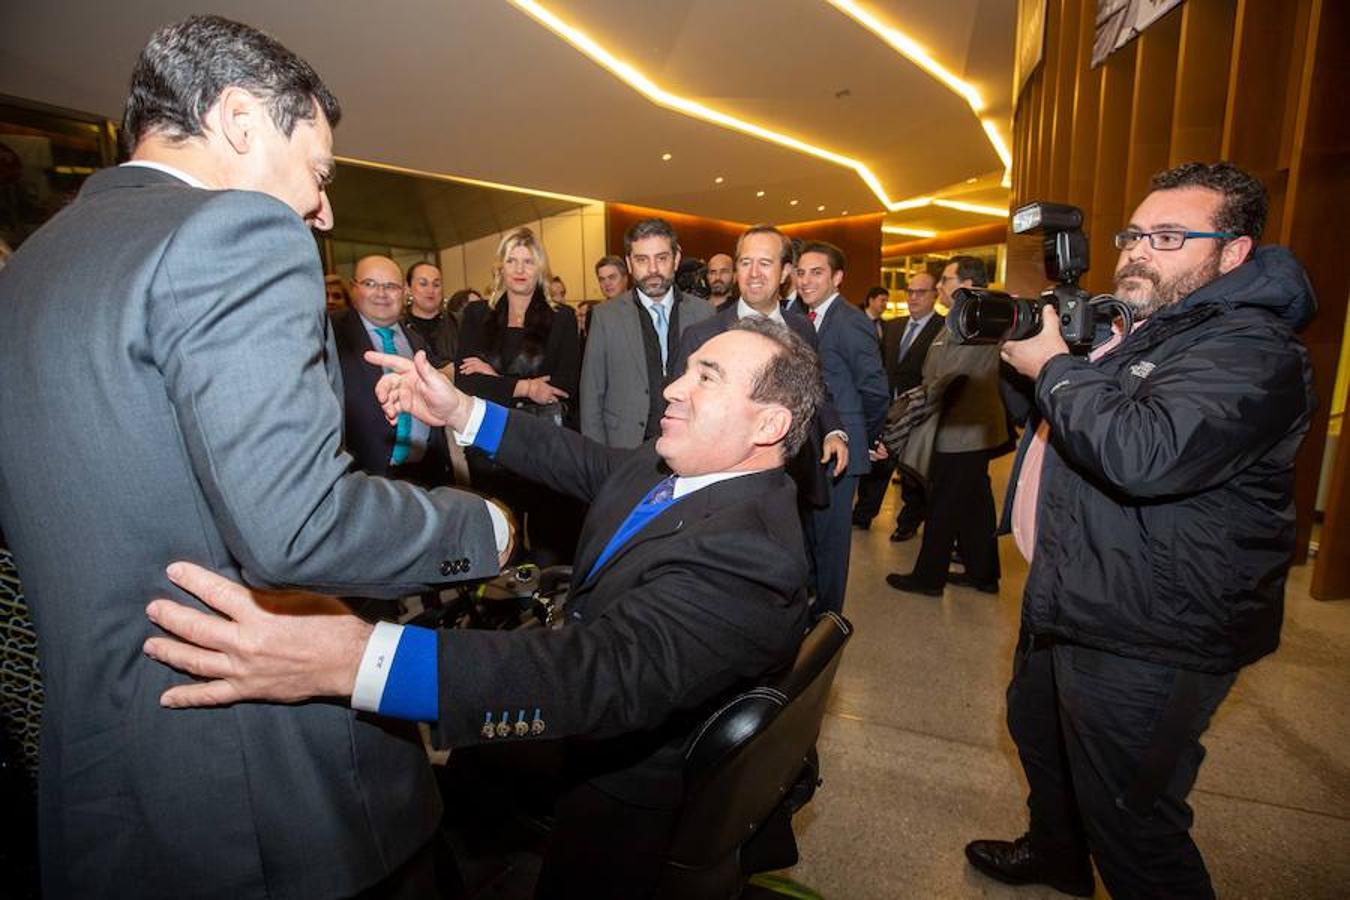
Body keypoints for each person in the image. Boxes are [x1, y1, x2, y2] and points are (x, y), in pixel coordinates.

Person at [0, 15, 502, 899]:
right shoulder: (235, 235)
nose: (324, 210)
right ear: (238, 120)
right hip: (279, 798)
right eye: (318, 172)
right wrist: (483, 526)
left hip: (107, 794)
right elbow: (298, 524)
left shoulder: (32, 269)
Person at [142, 318, 823, 899]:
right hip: (586, 733)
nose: (674, 388)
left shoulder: (753, 558)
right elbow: (584, 462)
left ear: (769, 423)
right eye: (685, 371)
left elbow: (596, 674)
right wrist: (460, 411)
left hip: (621, 795)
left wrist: (357, 659)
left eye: (706, 378)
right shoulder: (688, 469)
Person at [965, 162, 1316, 898]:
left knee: (1133, 820)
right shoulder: (1147, 327)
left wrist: (1057, 367)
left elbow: (1142, 455)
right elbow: (1062, 428)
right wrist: (1030, 365)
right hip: (1075, 588)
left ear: (1234, 253)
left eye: (1167, 236)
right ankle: (1057, 856)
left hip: (1155, 624)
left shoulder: (1253, 349)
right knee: (1044, 741)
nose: (1137, 252)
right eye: (1133, 234)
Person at [457, 226, 581, 564]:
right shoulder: (476, 315)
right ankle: (503, 611)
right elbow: (467, 383)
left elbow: (564, 383)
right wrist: (525, 386)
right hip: (489, 441)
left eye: (528, 261)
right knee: (500, 534)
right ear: (500, 266)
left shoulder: (562, 317)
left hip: (544, 441)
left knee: (549, 537)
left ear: (540, 267)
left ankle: (549, 607)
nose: (520, 269)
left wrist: (494, 379)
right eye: (512, 260)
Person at [887, 255, 1008, 596]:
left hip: (962, 430)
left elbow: (950, 375)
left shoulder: (978, 318)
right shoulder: (960, 317)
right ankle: (983, 574)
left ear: (967, 285)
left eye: (946, 280)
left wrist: (915, 402)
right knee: (975, 503)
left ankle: (928, 578)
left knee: (943, 503)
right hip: (960, 425)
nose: (940, 286)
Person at [795, 241, 889, 615]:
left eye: (816, 272)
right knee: (810, 536)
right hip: (809, 446)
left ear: (837, 277)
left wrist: (863, 436)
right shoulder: (804, 318)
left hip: (841, 449)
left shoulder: (850, 322)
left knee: (831, 542)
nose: (805, 280)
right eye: (800, 272)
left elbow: (875, 389)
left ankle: (828, 621)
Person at [579, 217, 713, 449]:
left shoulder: (705, 313)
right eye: (642, 260)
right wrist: (597, 459)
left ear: (676, 258)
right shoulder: (605, 317)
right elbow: (592, 395)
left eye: (661, 258)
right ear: (629, 264)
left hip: (691, 445)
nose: (653, 270)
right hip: (625, 447)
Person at [332, 255, 455, 485]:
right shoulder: (331, 336)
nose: (381, 293)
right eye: (370, 284)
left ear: (404, 291)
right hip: (363, 480)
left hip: (424, 476)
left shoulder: (416, 340)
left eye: (391, 286)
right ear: (353, 288)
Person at [853, 273, 944, 536]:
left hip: (919, 413)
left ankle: (907, 523)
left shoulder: (942, 328)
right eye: (910, 292)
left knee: (911, 473)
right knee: (878, 465)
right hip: (888, 410)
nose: (913, 297)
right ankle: (863, 514)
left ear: (934, 295)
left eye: (921, 292)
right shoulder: (893, 327)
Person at [402, 259, 458, 366]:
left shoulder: (457, 323)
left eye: (436, 285)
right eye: (423, 284)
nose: (430, 290)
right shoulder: (399, 327)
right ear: (408, 288)